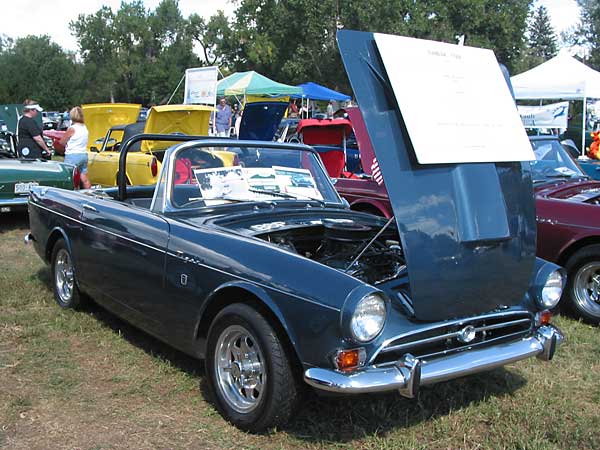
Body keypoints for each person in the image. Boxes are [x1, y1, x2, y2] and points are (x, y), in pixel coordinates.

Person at [59, 106, 91, 189]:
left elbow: (62, 142)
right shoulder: (85, 128)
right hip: (83, 154)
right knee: (84, 177)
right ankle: (89, 192)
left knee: (69, 177)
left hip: (72, 155)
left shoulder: (72, 129)